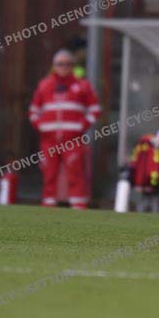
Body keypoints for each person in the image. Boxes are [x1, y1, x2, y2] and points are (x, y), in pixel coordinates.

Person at [29, 49, 101, 209]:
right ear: (54, 66)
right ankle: (48, 208)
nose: (63, 67)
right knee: (49, 174)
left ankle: (78, 207)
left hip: (73, 140)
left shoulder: (82, 85)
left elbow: (95, 109)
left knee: (76, 174)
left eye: (67, 64)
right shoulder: (44, 85)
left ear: (72, 66)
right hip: (49, 140)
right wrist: (40, 126)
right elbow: (34, 110)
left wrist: (82, 125)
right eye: (60, 64)